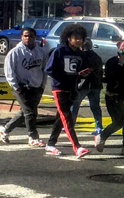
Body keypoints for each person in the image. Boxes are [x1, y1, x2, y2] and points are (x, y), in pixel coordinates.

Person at [44, 23, 92, 158]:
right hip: (60, 89)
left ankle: (51, 144)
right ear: (68, 38)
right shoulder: (59, 51)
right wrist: (64, 77)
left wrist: (82, 74)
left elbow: (77, 71)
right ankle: (77, 147)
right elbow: (49, 69)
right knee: (67, 117)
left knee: (61, 118)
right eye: (75, 38)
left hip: (73, 88)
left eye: (80, 38)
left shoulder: (80, 54)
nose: (78, 40)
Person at [0, 27, 48, 147]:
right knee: (31, 112)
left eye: (31, 36)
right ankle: (33, 137)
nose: (28, 38)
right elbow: (9, 71)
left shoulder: (41, 52)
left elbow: (44, 69)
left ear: (34, 37)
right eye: (25, 36)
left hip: (36, 86)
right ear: (21, 37)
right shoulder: (14, 52)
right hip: (21, 87)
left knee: (25, 112)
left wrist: (42, 85)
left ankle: (5, 129)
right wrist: (16, 87)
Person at [70, 38, 103, 136]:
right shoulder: (96, 56)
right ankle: (98, 126)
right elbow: (100, 71)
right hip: (95, 84)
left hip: (82, 85)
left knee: (74, 106)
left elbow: (75, 70)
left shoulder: (79, 56)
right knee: (95, 107)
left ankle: (70, 125)